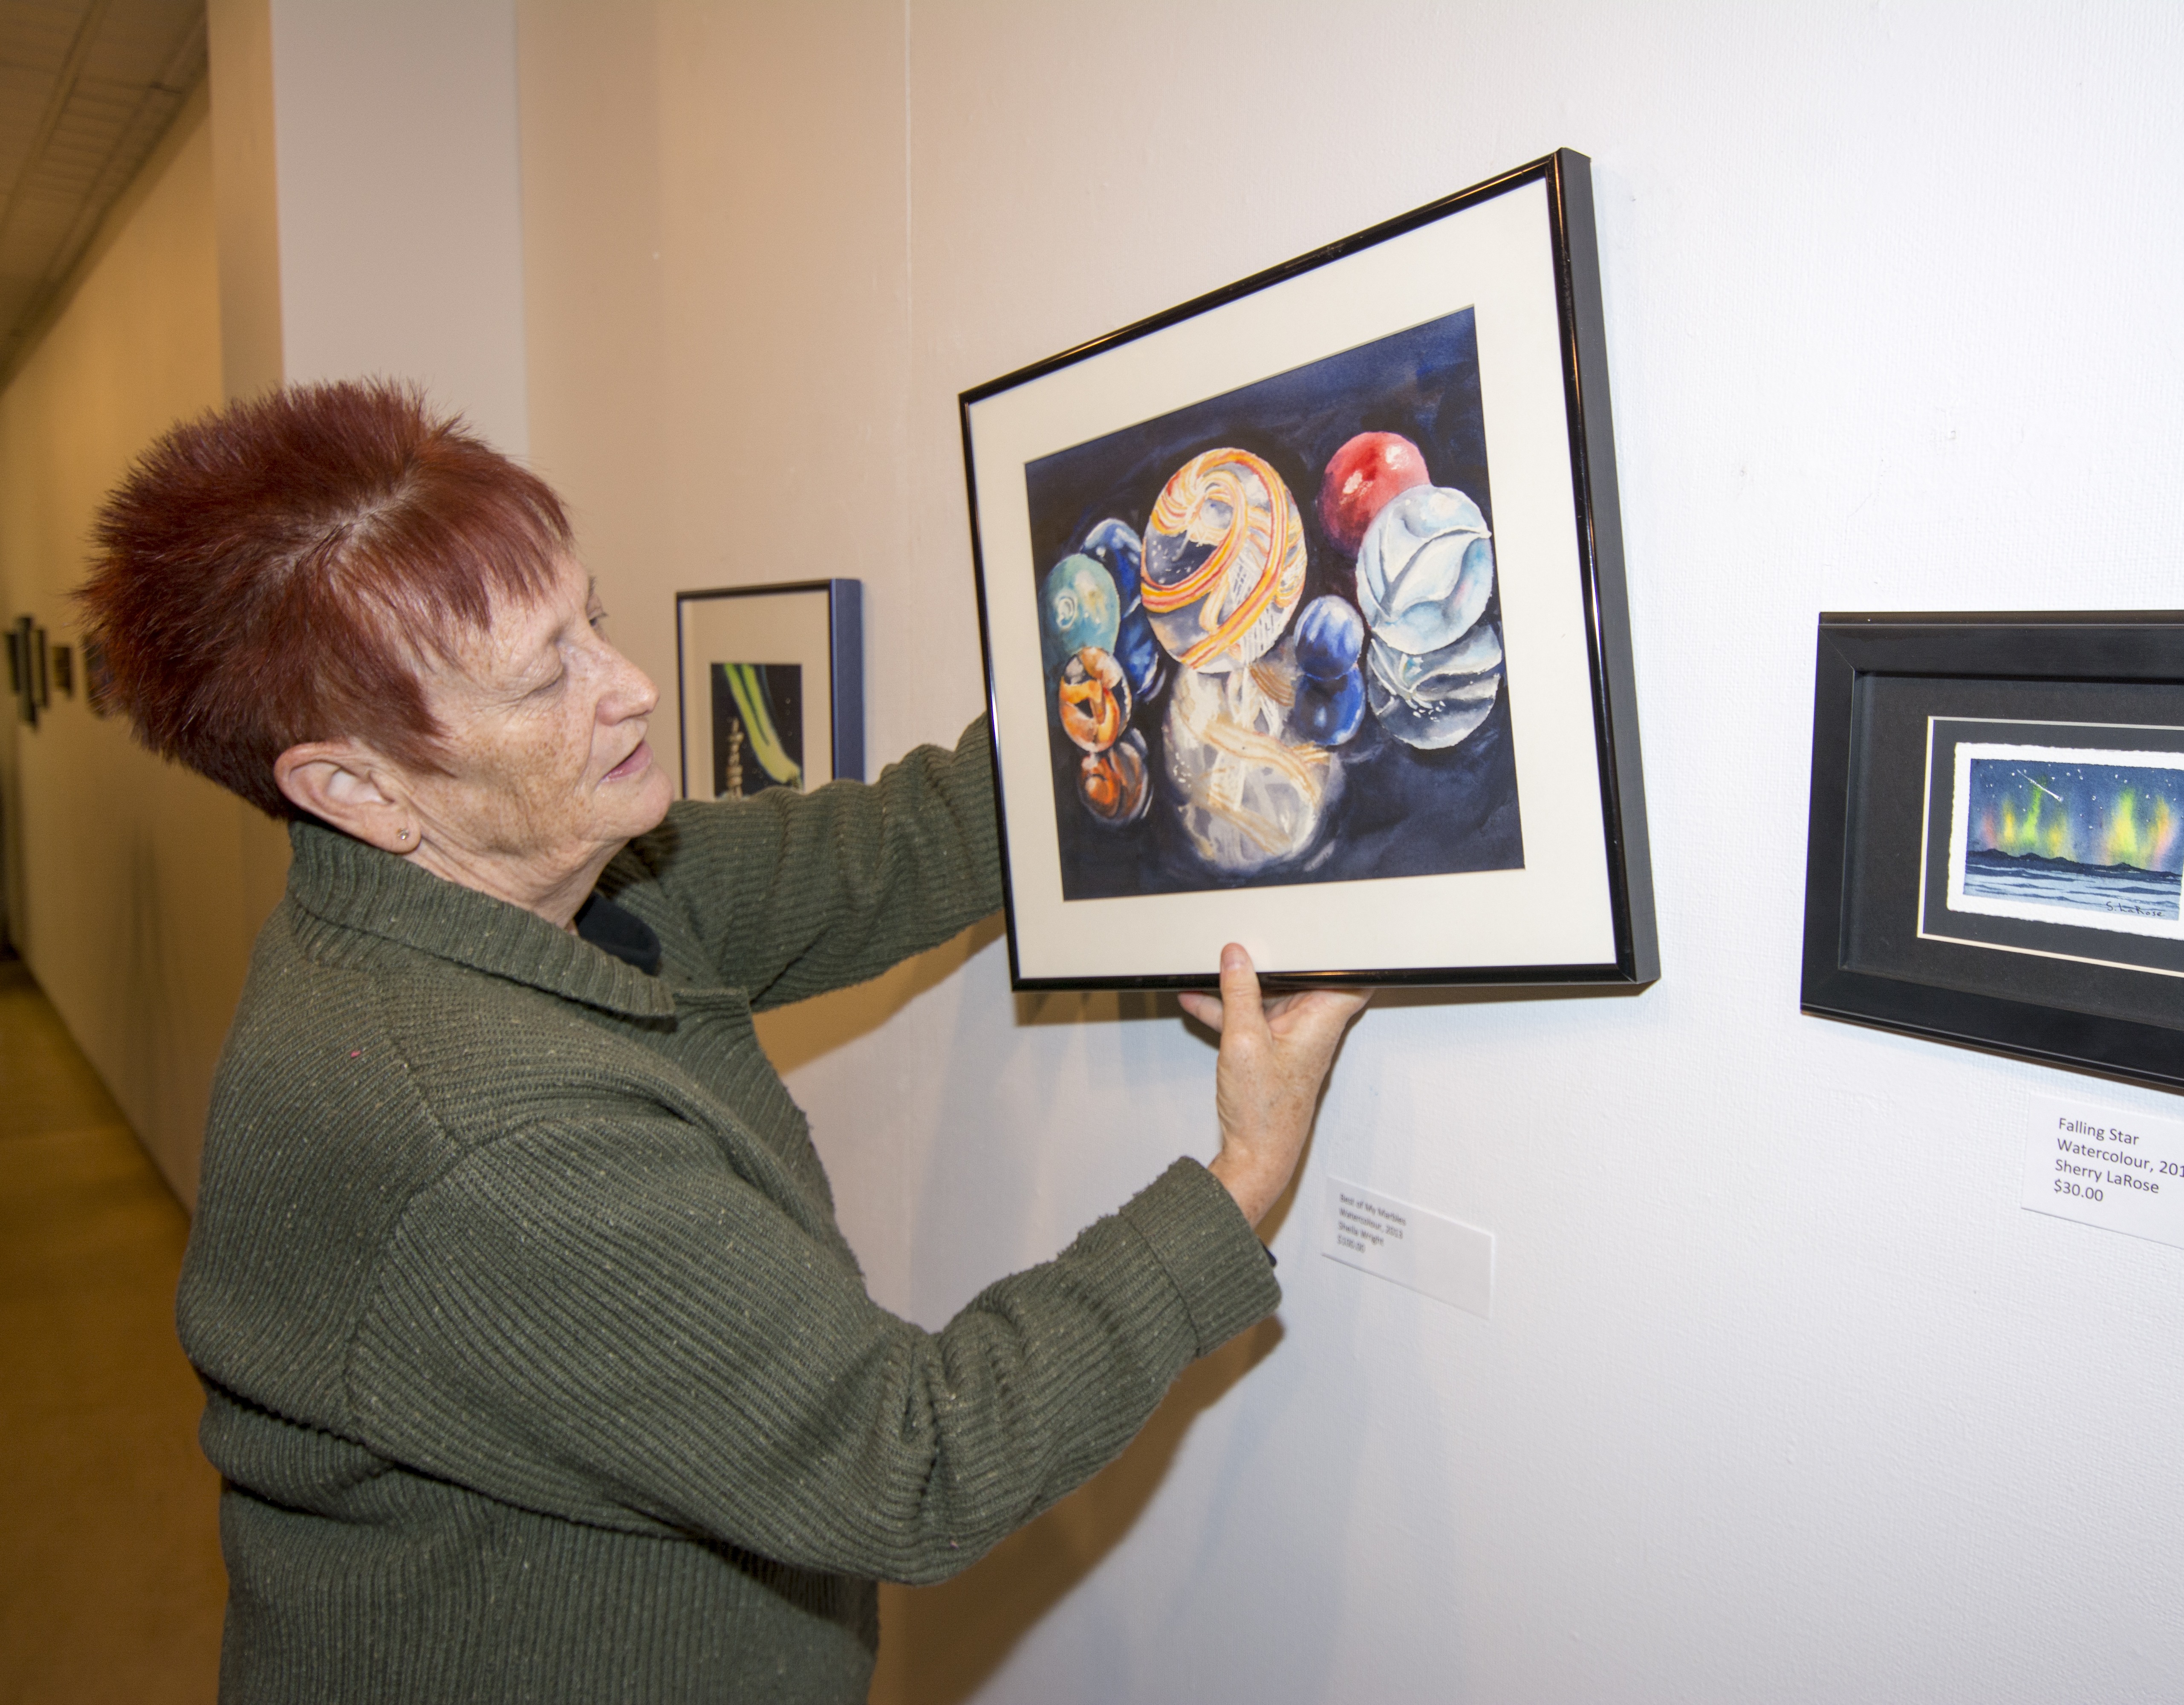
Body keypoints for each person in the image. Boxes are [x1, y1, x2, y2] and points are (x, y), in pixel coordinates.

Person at [80, 379, 1368, 1702]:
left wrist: (1144, 678)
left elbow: (894, 849)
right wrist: (1242, 1182)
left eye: (592, 617)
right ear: (358, 788)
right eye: (546, 676)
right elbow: (909, 1463)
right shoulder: (481, 1136)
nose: (630, 687)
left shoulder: (556, 880)